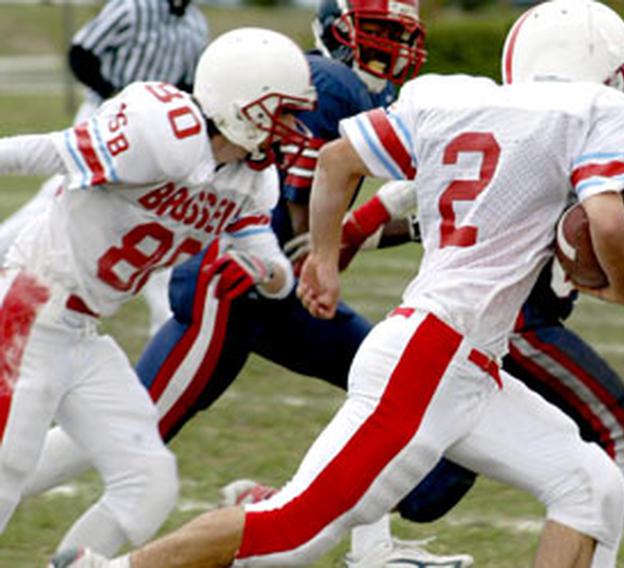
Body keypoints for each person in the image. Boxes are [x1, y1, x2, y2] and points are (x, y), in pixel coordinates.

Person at [50, 0, 624, 565]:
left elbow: (338, 159)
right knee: (289, 531)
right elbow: (607, 218)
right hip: (430, 360)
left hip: (466, 362)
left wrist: (322, 255)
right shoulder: (602, 112)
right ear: (603, 65)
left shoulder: (458, 99)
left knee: (590, 484)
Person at [27, 1, 471, 565]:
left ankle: (367, 545)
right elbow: (299, 203)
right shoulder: (328, 82)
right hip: (230, 287)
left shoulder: (345, 90)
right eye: (380, 31)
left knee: (382, 392)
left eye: (401, 34)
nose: (394, 47)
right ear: (339, 30)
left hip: (276, 293)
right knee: (134, 433)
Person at [335, 24, 624, 494]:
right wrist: (360, 226)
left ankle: (287, 506)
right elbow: (456, 177)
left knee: (428, 489)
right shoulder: (579, 123)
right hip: (518, 316)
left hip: (520, 320)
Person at [0, 27, 309, 557]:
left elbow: (275, 268)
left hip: (84, 332)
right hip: (34, 301)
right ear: (239, 102)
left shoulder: (249, 180)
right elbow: (47, 152)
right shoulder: (162, 130)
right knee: (8, 464)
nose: (291, 127)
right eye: (279, 111)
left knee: (147, 482)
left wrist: (265, 274)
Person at [0, 0, 209, 336]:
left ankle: (165, 322)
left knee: (157, 213)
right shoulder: (134, 7)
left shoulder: (196, 24)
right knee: (56, 196)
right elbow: (82, 53)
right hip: (106, 123)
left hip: (160, 142)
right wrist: (117, 96)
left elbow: (189, 85)